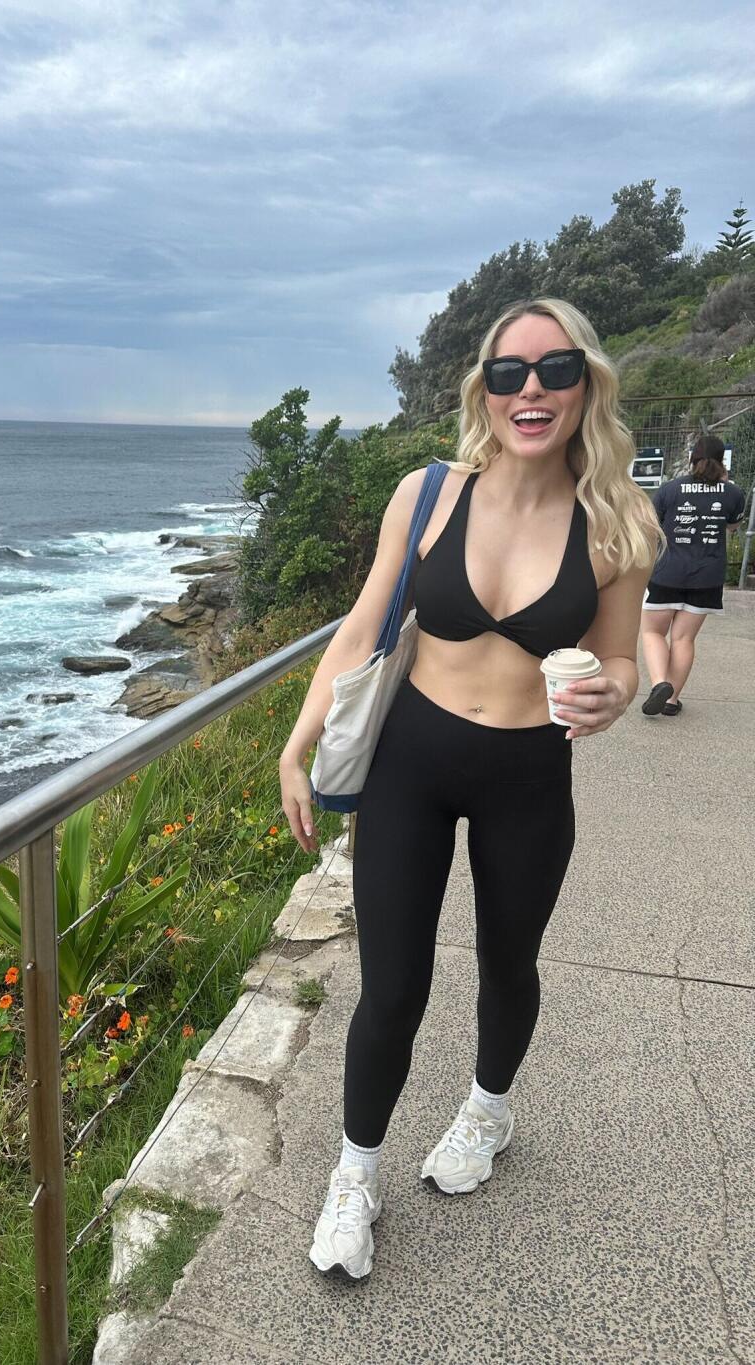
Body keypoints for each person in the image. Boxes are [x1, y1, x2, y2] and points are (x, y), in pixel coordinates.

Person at [277, 297, 661, 1280]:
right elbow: (362, 625)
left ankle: (489, 1110)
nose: (530, 389)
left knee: (507, 963)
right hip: (410, 763)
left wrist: (612, 694)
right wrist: (297, 741)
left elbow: (622, 660)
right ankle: (355, 1175)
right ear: (483, 390)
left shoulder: (619, 521)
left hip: (528, 774)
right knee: (391, 986)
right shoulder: (429, 494)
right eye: (507, 372)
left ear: (585, 385)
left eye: (554, 369)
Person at [639, 435, 746, 717]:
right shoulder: (733, 493)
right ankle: (671, 701)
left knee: (652, 632)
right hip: (707, 578)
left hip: (667, 573)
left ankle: (660, 683)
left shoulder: (669, 489)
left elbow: (651, 527)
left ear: (691, 458)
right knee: (683, 639)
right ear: (722, 461)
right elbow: (733, 526)